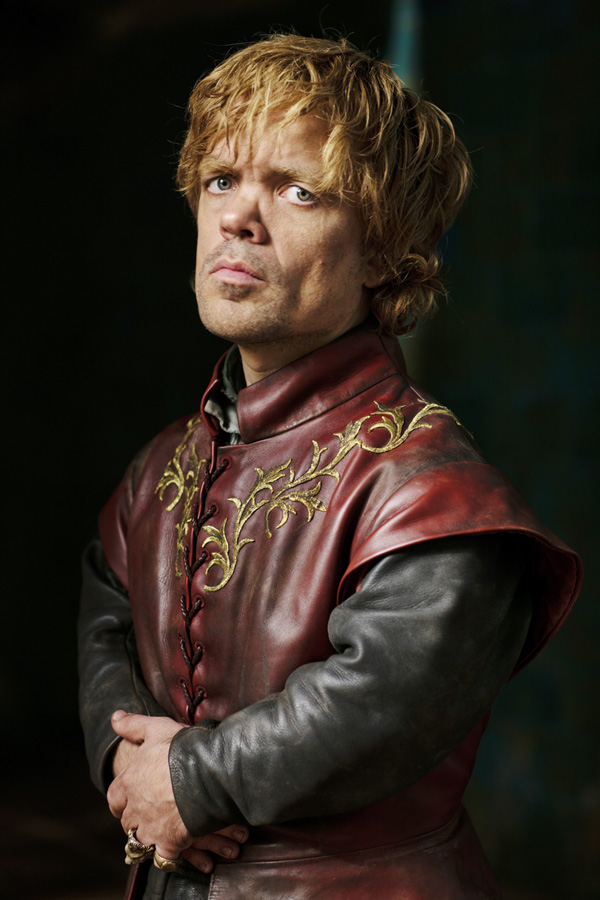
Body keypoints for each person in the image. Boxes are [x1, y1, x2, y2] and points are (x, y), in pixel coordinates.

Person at [78, 33, 581, 900]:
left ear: (383, 251)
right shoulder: (160, 465)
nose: (238, 217)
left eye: (298, 190)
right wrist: (129, 766)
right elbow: (106, 622)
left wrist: (191, 782)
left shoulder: (430, 487)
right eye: (221, 180)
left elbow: (378, 702)